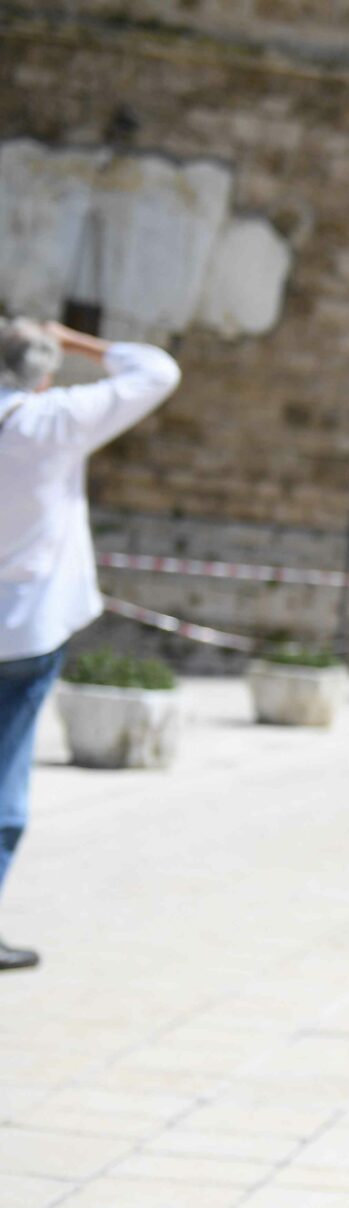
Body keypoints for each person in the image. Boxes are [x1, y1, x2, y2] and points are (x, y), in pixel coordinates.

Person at [0, 318, 181, 972]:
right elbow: (158, 371)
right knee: (6, 778)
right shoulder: (52, 420)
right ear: (44, 373)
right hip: (26, 625)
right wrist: (79, 341)